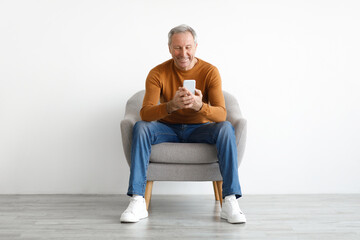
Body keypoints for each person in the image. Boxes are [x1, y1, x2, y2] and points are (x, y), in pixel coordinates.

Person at [120, 24, 246, 224]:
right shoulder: (157, 72)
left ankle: (230, 200)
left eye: (188, 47)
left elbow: (222, 114)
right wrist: (170, 106)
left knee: (226, 128)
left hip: (200, 129)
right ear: (170, 48)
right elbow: (145, 113)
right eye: (177, 48)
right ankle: (137, 200)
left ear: (195, 46)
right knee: (141, 127)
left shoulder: (210, 71)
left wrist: (199, 106)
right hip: (166, 129)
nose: (183, 53)